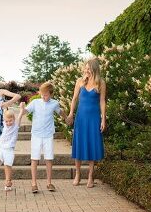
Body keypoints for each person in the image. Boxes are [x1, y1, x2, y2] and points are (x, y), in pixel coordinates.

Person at [67, 57, 106, 188]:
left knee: (92, 145)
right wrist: (71, 113)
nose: (86, 70)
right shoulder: (80, 81)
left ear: (95, 69)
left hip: (94, 118)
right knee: (79, 145)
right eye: (86, 68)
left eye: (89, 69)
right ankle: (78, 174)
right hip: (81, 118)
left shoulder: (101, 83)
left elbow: (102, 101)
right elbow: (74, 99)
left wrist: (103, 119)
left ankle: (90, 176)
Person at [23, 82, 65, 193]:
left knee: (49, 158)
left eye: (46, 95)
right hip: (36, 134)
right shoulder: (35, 102)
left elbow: (60, 112)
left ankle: (49, 183)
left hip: (48, 135)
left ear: (51, 94)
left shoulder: (54, 103)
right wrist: (22, 108)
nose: (43, 96)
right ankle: (34, 184)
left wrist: (67, 117)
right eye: (42, 94)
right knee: (34, 158)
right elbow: (25, 111)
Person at [0, 107, 24, 192]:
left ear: (13, 119)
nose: (8, 123)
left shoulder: (16, 126)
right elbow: (4, 113)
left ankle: (8, 181)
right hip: (1, 146)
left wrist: (22, 109)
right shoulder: (5, 124)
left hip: (9, 148)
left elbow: (20, 116)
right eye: (6, 121)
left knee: (8, 165)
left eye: (10, 121)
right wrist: (4, 107)